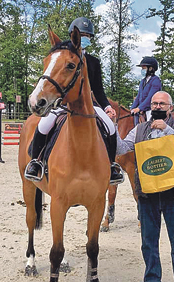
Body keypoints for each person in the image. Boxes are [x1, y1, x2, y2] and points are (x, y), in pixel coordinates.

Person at [111, 90, 174, 282]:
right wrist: (112, 126)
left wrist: (168, 131)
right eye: (154, 104)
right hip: (147, 194)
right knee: (148, 242)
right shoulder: (139, 129)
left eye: (162, 104)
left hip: (173, 194)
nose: (157, 107)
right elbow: (121, 148)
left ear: (170, 108)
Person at [24, 17, 123, 184]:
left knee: (110, 128)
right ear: (73, 36)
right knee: (43, 125)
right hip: (62, 105)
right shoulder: (62, 57)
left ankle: (112, 166)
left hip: (89, 106)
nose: (84, 38)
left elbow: (98, 90)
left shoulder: (93, 62)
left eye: (87, 35)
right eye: (81, 34)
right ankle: (36, 162)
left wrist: (106, 106)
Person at [130, 56, 162, 123]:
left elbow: (150, 98)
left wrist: (139, 108)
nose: (142, 70)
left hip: (151, 109)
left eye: (144, 68)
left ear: (150, 68)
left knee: (149, 122)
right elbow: (139, 96)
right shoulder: (142, 81)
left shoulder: (156, 81)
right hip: (143, 108)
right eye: (142, 68)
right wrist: (132, 108)